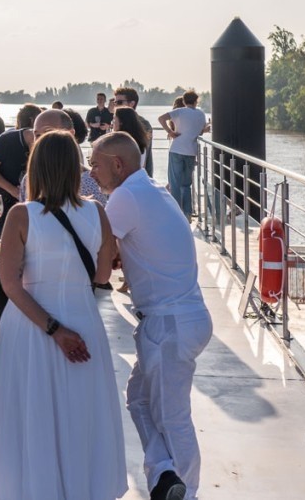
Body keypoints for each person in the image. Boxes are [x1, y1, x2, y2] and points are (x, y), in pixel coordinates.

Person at [0, 130, 125, 500]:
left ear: (35, 168)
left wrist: (53, 328)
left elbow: (10, 284)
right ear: (74, 168)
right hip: (82, 319)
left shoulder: (21, 215)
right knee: (80, 412)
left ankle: (34, 489)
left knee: (31, 412)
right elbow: (101, 276)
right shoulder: (98, 212)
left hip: (32, 326)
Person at [89, 133, 212, 500]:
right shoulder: (152, 188)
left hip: (168, 323)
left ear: (117, 164)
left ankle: (185, 492)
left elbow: (99, 255)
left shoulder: (125, 196)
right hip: (183, 317)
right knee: (139, 398)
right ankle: (164, 474)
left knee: (172, 417)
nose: (92, 172)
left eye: (95, 164)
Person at [0, 103, 40, 234]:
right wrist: (13, 190)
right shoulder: (8, 139)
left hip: (37, 205)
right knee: (5, 243)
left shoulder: (50, 144)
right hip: (7, 202)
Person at [159, 91, 209, 218]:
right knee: (186, 184)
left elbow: (161, 118)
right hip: (191, 152)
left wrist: (170, 132)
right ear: (196, 101)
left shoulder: (180, 111)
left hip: (176, 149)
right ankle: (187, 213)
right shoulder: (201, 114)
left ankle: (177, 213)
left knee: (174, 183)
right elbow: (200, 132)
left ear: (184, 101)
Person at [114, 87, 154, 177]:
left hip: (138, 178)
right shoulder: (116, 122)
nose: (116, 106)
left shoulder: (143, 124)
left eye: (119, 102)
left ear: (132, 104)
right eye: (115, 102)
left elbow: (143, 154)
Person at [113, 107, 150, 173]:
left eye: (114, 119)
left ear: (121, 122)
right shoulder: (140, 141)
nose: (112, 122)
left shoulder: (122, 143)